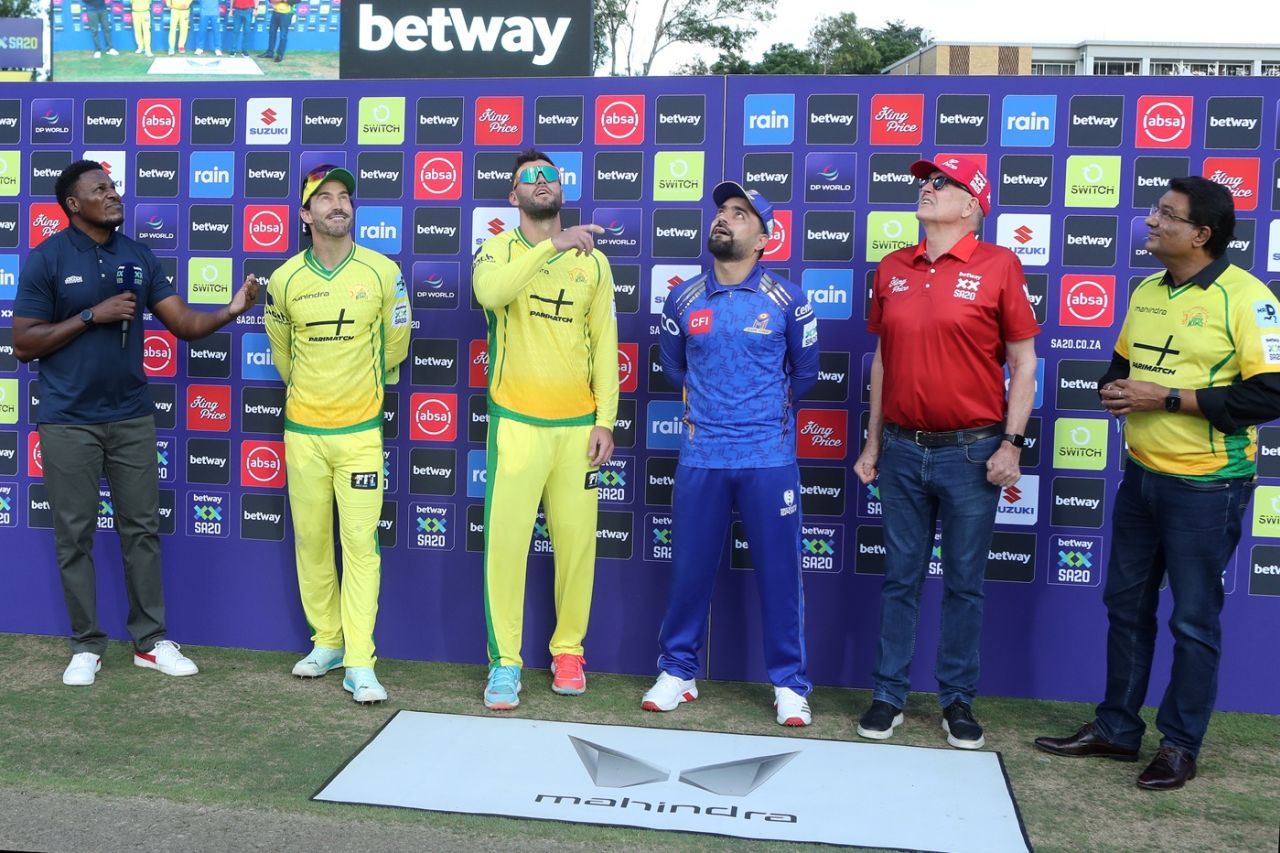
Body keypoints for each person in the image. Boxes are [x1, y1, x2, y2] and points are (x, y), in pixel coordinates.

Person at [1035, 176, 1280, 790]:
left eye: (1166, 214)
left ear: (1201, 234)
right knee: (1126, 607)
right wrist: (1116, 388)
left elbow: (1269, 391)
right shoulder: (1146, 290)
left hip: (1209, 484)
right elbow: (1124, 364)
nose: (1150, 221)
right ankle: (1117, 728)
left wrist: (1166, 396)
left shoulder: (1248, 298)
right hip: (1141, 476)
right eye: (1154, 211)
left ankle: (1179, 744)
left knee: (1193, 620)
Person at [12, 160, 259, 686]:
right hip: (67, 421)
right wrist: (88, 316)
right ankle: (85, 645)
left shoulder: (138, 255)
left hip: (130, 418)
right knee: (73, 534)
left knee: (141, 531)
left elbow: (185, 324)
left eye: (114, 186)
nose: (113, 194)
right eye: (100, 189)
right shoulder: (48, 258)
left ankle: (150, 641)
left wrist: (233, 309)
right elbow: (23, 343)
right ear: (74, 204)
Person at [853, 156, 1039, 749]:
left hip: (972, 452)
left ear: (972, 205)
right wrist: (873, 441)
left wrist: (1011, 443)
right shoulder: (892, 268)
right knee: (899, 580)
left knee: (964, 583)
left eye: (941, 183)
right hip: (903, 451)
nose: (927, 189)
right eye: (924, 182)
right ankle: (889, 696)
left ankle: (957, 700)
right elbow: (883, 361)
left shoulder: (1000, 265)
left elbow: (1023, 363)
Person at [642, 182, 819, 727]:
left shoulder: (790, 300)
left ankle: (789, 684)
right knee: (690, 570)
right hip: (701, 457)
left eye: (740, 215)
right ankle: (678, 671)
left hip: (769, 458)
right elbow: (674, 368)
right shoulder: (683, 298)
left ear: (764, 238)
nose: (725, 219)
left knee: (780, 575)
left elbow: (806, 376)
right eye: (722, 211)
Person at [471, 149, 618, 710]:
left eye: (548, 176)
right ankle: (505, 661)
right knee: (506, 547)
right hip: (517, 424)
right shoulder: (496, 249)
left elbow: (605, 344)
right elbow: (491, 294)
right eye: (528, 178)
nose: (540, 182)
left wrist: (606, 419)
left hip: (577, 428)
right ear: (513, 198)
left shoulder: (595, 264)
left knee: (577, 547)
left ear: (561, 188)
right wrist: (549, 247)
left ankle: (569, 651)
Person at [264, 166, 410, 705]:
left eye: (344, 197)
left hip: (360, 435)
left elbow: (395, 345)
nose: (337, 206)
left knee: (360, 546)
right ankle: (326, 640)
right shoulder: (284, 281)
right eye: (323, 199)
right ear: (306, 215)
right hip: (303, 433)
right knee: (312, 542)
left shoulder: (382, 272)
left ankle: (359, 659)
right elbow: (284, 357)